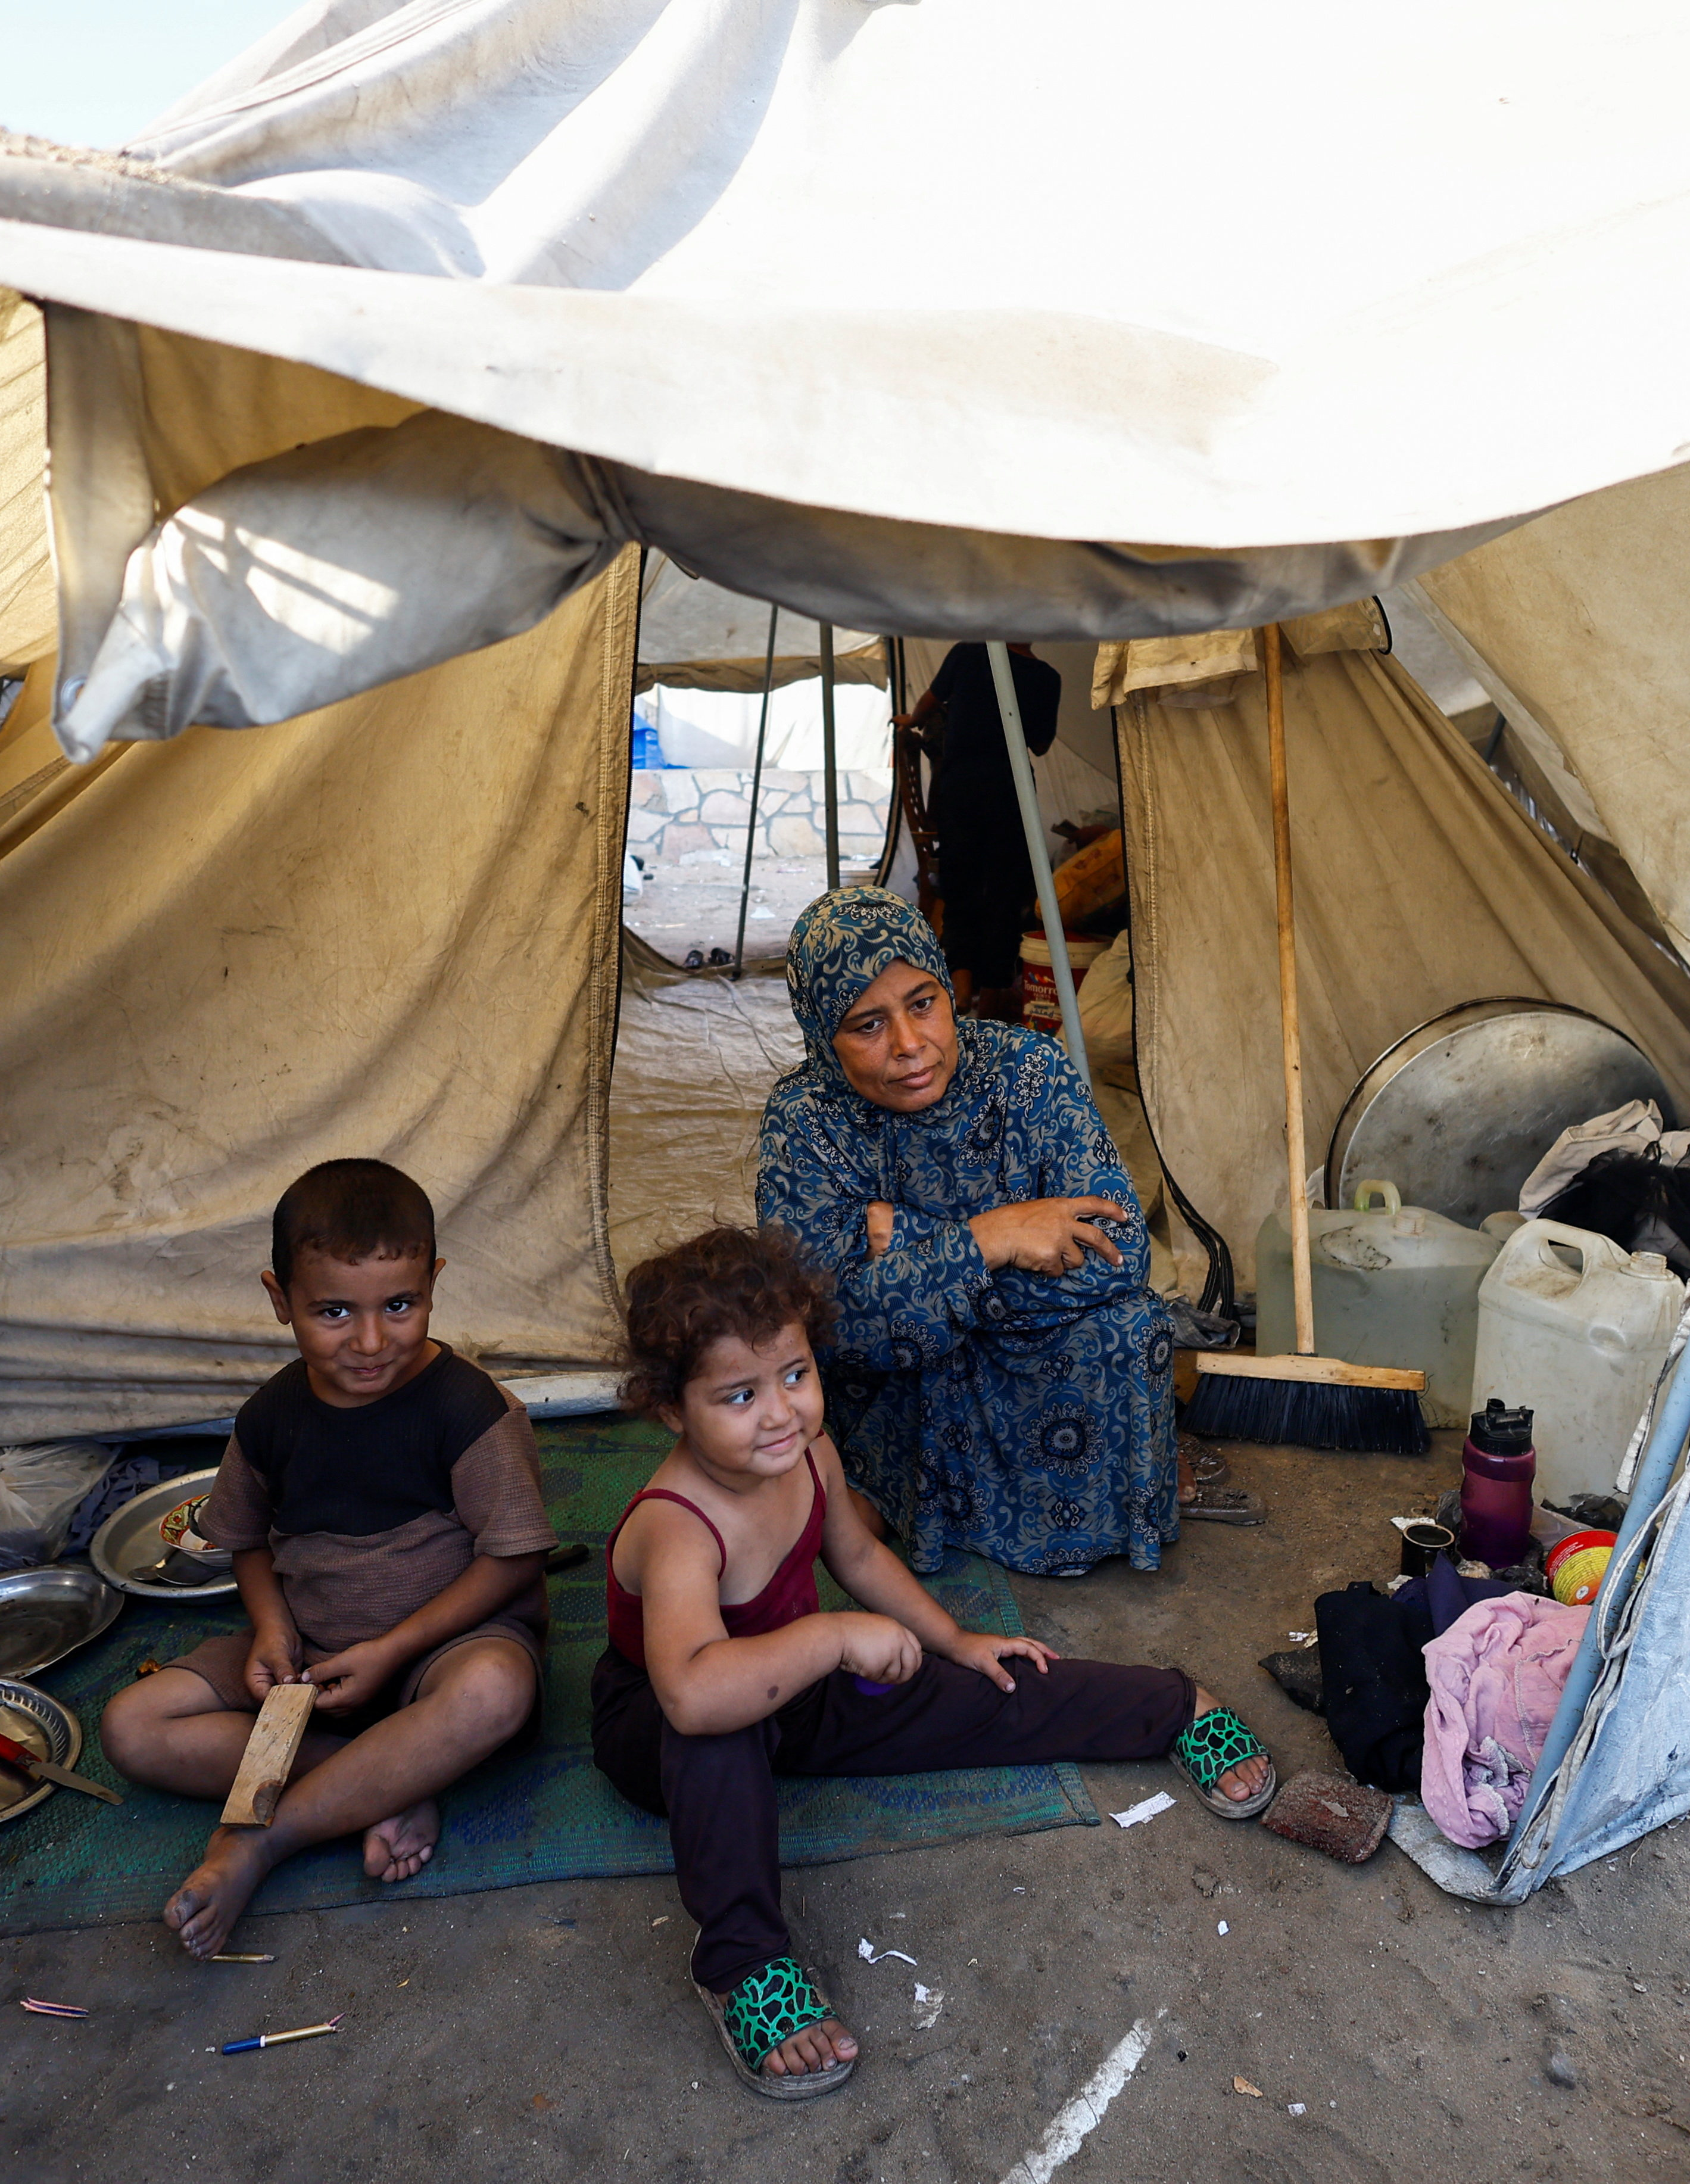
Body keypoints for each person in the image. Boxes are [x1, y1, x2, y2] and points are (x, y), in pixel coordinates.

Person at [590, 1226, 1279, 2098]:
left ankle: (1172, 1707)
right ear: (670, 1408)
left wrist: (955, 1641)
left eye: (795, 1374)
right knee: (721, 1735)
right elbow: (691, 1693)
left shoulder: (808, 1454)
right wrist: (835, 1638)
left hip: (796, 1688)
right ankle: (741, 1963)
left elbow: (859, 1556)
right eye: (738, 1394)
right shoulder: (676, 1525)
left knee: (983, 1682)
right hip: (663, 1726)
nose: (780, 1412)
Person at [100, 1159, 554, 1958]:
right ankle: (382, 1780)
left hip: (438, 1654)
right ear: (281, 1298)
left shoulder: (471, 1409)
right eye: (334, 1310)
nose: (371, 1340)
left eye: (400, 1304)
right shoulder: (270, 1417)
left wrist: (393, 1649)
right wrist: (273, 1630)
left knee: (494, 1689)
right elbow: (244, 1539)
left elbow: (514, 1561)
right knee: (131, 1726)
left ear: (434, 1283)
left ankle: (262, 1841)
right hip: (309, 1656)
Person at [755, 886, 1252, 1578]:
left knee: (1129, 1324)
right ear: (821, 1034)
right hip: (909, 1375)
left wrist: (917, 1244)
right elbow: (833, 1319)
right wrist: (991, 1238)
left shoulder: (1027, 1069)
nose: (909, 1045)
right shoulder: (805, 1120)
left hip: (1015, 1344)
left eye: (923, 1003)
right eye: (867, 1025)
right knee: (883, 1367)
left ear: (947, 990)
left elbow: (1122, 1255)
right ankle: (904, 1496)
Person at [893, 640, 1058, 1018]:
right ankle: (994, 995)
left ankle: (962, 981)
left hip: (960, 789)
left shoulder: (968, 654)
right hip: (1011, 791)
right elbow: (1040, 744)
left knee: (960, 882)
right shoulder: (1046, 677)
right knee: (1005, 891)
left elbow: (930, 702)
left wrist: (912, 720)